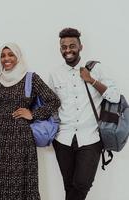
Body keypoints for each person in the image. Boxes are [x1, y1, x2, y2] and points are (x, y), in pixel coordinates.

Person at [0, 43, 60, 200]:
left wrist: (33, 114)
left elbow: (54, 101)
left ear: (18, 57)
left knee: (22, 183)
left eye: (11, 55)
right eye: (3, 55)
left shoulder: (31, 78)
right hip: (1, 141)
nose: (6, 59)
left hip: (22, 140)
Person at [49, 28, 120, 200]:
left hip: (90, 137)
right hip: (63, 138)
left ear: (81, 47)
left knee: (82, 184)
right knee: (69, 186)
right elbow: (51, 104)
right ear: (60, 49)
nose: (68, 50)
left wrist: (91, 80)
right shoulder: (55, 74)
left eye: (72, 46)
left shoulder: (97, 69)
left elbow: (115, 97)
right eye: (64, 47)